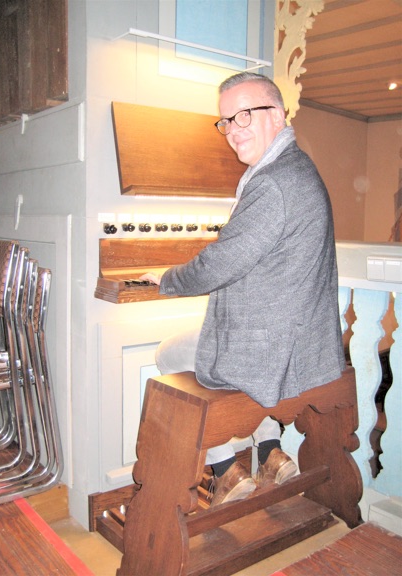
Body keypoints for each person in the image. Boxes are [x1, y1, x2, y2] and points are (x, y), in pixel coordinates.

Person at [141, 72, 346, 507]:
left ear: (277, 114)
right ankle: (271, 455)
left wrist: (167, 279)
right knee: (207, 349)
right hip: (303, 340)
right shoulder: (295, 167)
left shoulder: (273, 181)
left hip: (279, 349)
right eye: (226, 122)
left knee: (170, 354)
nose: (233, 130)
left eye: (244, 115)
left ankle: (224, 471)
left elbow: (221, 262)